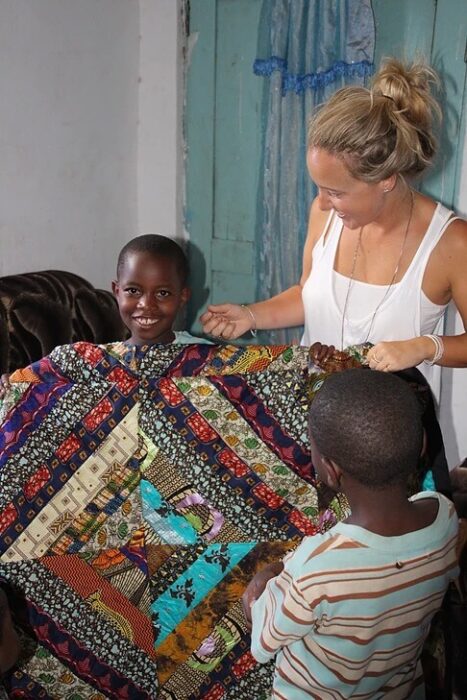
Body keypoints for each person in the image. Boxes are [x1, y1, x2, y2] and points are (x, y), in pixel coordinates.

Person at [200, 58, 467, 388]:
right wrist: (251, 315)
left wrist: (427, 346)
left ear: (385, 179)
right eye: (319, 188)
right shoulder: (324, 212)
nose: (322, 202)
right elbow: (309, 295)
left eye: (335, 192)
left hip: (387, 432)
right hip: (309, 413)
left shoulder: (451, 243)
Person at [242, 369, 459, 699]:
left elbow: (263, 636)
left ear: (330, 470)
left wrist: (264, 581)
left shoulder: (315, 567)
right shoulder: (444, 517)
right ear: (422, 445)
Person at [0, 234, 211, 397]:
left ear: (182, 297)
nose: (146, 305)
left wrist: (246, 315)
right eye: (133, 291)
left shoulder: (206, 360)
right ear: (116, 291)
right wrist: (15, 387)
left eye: (162, 293)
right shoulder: (90, 366)